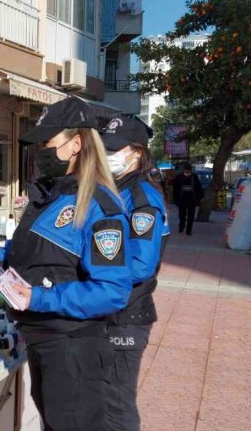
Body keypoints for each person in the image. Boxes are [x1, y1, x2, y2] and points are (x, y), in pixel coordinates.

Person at [0, 97, 133, 431]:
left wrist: (38, 298)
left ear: (76, 144)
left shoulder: (98, 206)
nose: (40, 151)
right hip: (44, 343)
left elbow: (112, 291)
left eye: (47, 142)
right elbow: (22, 254)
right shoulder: (48, 198)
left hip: (75, 349)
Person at [100, 117, 170, 431]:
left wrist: (90, 276)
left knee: (116, 406)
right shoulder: (116, 189)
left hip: (127, 314)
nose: (108, 154)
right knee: (101, 398)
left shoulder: (142, 198)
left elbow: (142, 265)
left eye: (116, 149)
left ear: (138, 153)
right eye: (105, 148)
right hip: (108, 310)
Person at [173, 164, 202, 235]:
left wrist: (200, 198)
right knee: (182, 215)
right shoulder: (179, 177)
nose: (188, 171)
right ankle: (181, 226)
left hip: (192, 199)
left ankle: (189, 230)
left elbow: (198, 188)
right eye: (186, 170)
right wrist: (175, 199)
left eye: (189, 170)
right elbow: (175, 189)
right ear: (184, 170)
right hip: (182, 199)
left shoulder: (194, 177)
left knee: (191, 215)